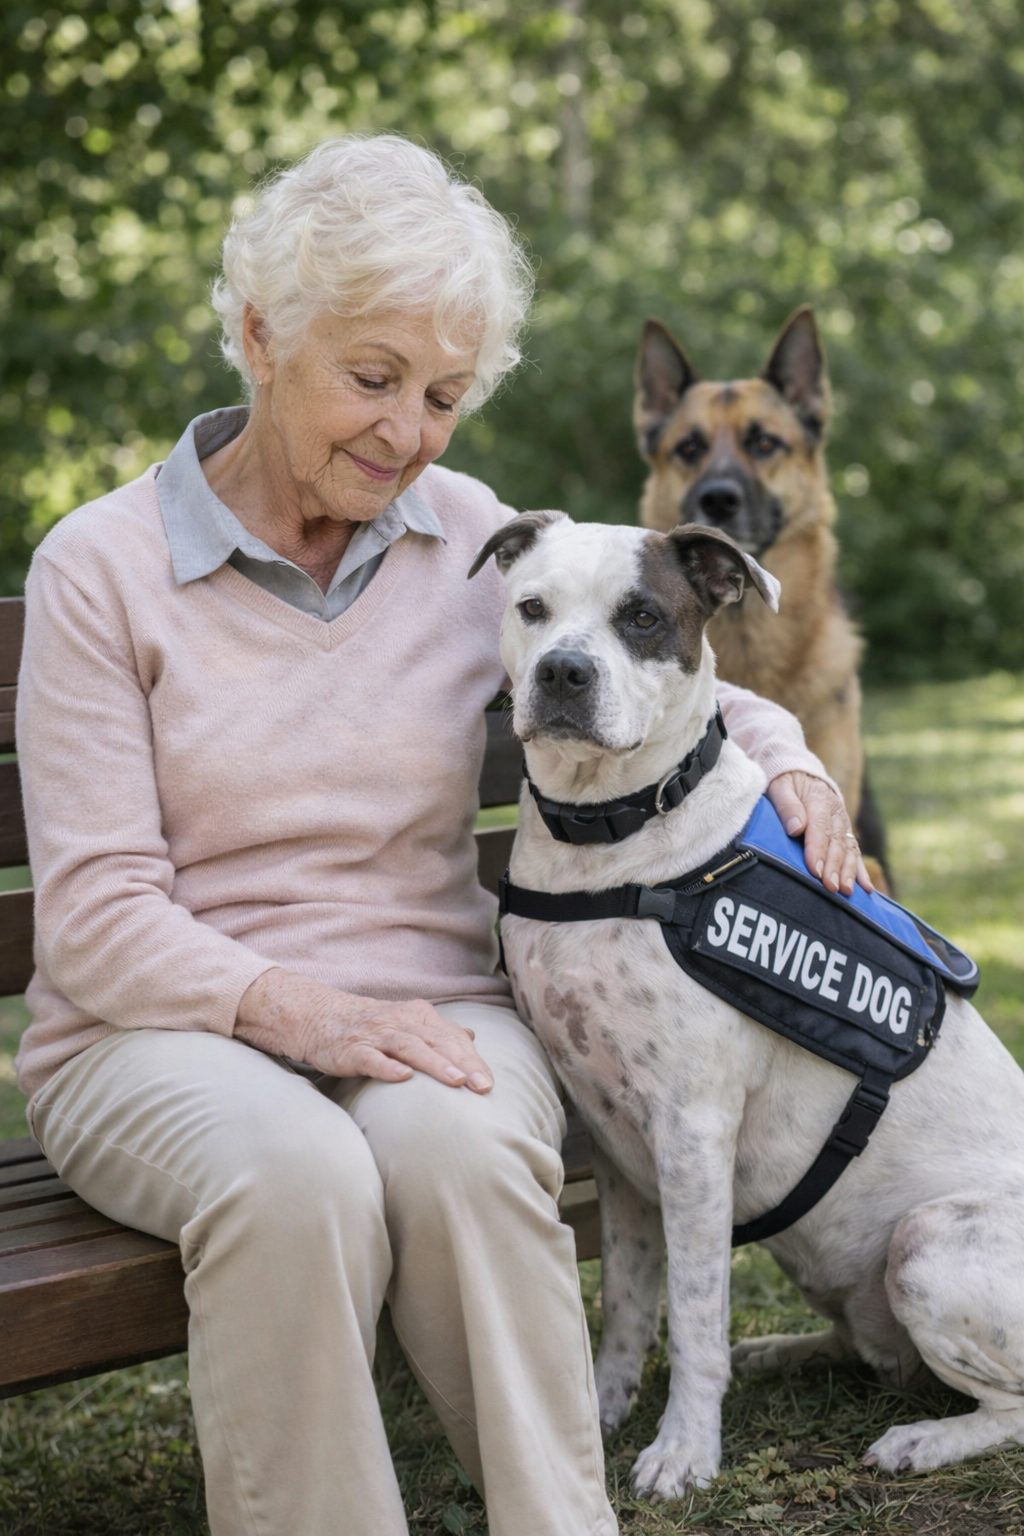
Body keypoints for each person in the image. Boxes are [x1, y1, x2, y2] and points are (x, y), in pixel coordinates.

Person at [15, 135, 868, 1536]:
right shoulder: (102, 569)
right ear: (258, 335)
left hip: (426, 1014)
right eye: (372, 380)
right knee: (293, 1174)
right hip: (154, 1031)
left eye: (445, 397)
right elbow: (98, 919)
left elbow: (640, 644)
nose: (408, 434)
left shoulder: (464, 533)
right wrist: (295, 1011)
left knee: (462, 1154)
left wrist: (791, 764)